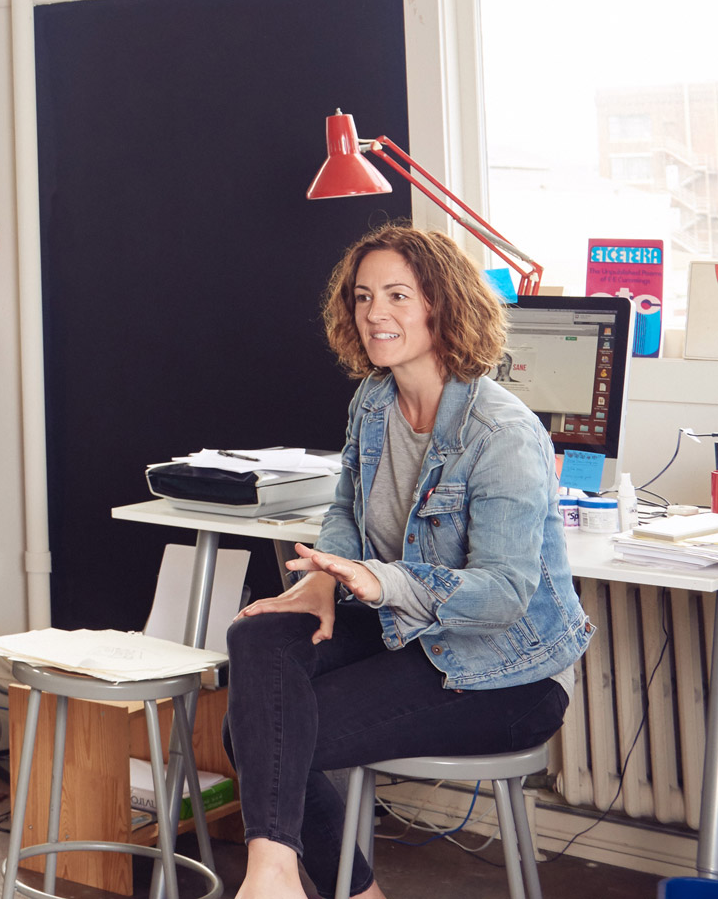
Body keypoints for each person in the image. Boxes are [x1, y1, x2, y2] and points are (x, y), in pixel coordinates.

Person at [225, 223, 590, 899]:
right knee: (256, 639)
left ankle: (317, 888)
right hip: (411, 633)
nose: (374, 314)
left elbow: (505, 594)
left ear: (441, 305)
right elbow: (345, 505)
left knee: (266, 732)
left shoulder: (502, 433)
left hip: (504, 672)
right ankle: (280, 875)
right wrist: (323, 584)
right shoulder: (374, 402)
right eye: (363, 297)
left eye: (397, 294)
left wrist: (383, 579)